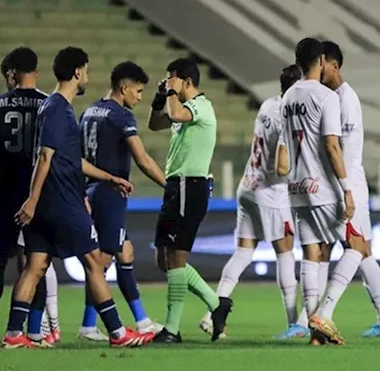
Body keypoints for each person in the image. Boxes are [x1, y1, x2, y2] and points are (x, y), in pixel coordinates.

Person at [4, 47, 154, 349]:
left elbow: (70, 159)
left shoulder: (51, 108)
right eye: (85, 71)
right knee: (94, 263)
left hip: (48, 201)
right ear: (77, 72)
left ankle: (13, 334)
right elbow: (45, 157)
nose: (87, 77)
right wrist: (32, 200)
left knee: (35, 265)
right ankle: (116, 333)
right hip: (60, 200)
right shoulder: (59, 109)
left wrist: (110, 178)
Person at [297, 40, 380, 338]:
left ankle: (319, 316)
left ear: (333, 65)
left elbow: (340, 148)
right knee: (362, 251)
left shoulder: (344, 98)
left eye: (322, 62)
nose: (319, 67)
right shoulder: (331, 96)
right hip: (340, 183)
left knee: (351, 248)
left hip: (346, 183)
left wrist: (343, 187)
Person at [198, 65, 305, 340]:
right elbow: (282, 167)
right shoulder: (288, 116)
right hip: (271, 194)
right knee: (285, 254)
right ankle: (294, 323)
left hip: (247, 186)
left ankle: (213, 314)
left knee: (243, 252)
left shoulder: (268, 105)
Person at [0, 48, 57, 347]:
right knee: (36, 264)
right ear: (37, 73)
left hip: (4, 195)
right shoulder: (48, 104)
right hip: (38, 196)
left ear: (11, 73)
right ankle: (33, 332)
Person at [77, 61, 166, 341]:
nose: (139, 97)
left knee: (124, 252)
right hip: (110, 193)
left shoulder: (89, 111)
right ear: (124, 87)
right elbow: (143, 160)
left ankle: (141, 321)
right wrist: (168, 185)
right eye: (138, 91)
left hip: (92, 189)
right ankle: (90, 326)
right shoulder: (121, 116)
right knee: (100, 262)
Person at [147, 58, 232, 343]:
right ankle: (217, 304)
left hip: (190, 186)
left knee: (176, 256)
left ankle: (171, 330)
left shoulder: (201, 107)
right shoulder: (180, 108)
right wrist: (161, 95)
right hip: (175, 186)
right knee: (164, 258)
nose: (170, 84)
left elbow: (174, 115)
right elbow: (155, 122)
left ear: (187, 82)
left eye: (173, 80)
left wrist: (170, 94)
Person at [278, 38, 355, 345]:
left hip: (296, 187)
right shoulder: (326, 96)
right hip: (321, 185)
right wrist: (347, 188)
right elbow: (332, 145)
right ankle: (322, 316)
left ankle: (315, 331)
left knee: (311, 253)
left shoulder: (286, 98)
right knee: (356, 247)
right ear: (321, 61)